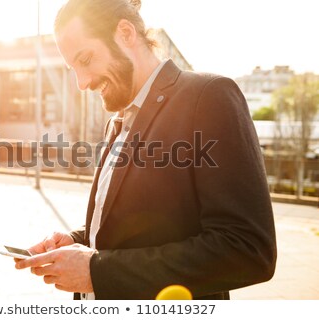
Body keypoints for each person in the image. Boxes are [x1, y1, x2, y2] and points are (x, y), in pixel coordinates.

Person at [15, 0, 277, 300]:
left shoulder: (208, 97)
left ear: (126, 34)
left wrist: (97, 271)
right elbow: (138, 226)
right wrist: (78, 241)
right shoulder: (118, 122)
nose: (82, 83)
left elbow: (247, 249)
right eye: (73, 69)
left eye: (85, 59)